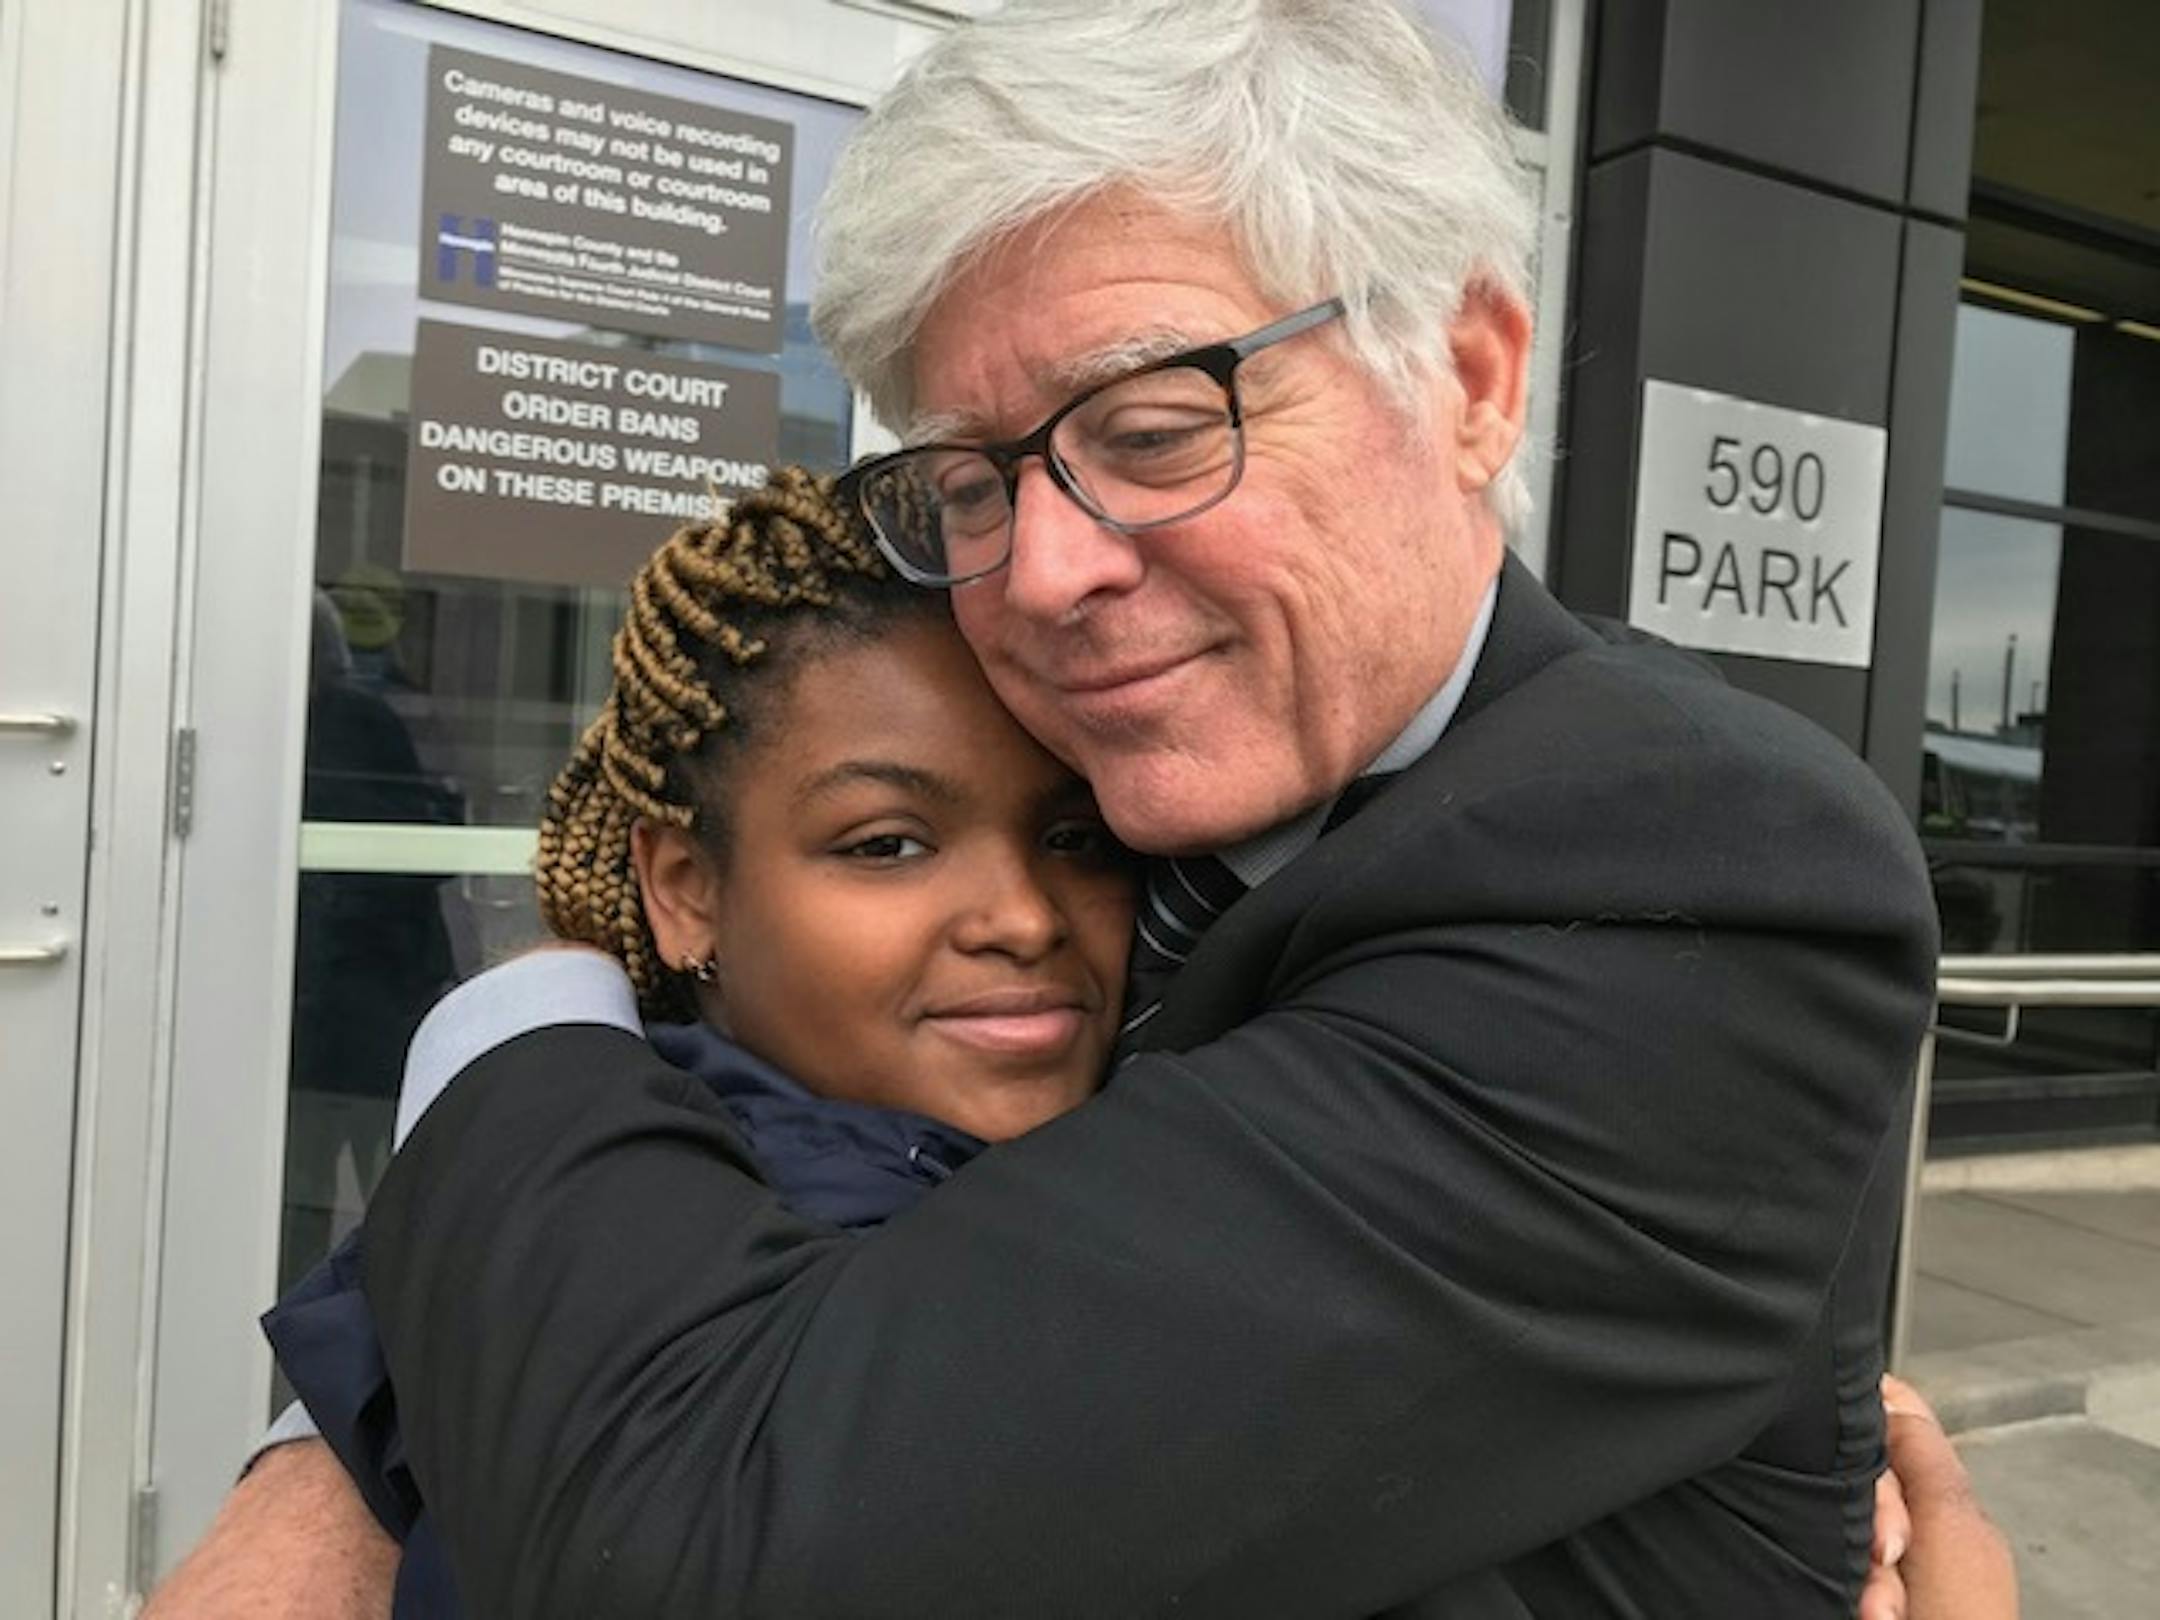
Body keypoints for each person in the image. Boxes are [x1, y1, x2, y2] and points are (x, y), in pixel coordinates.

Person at [147, 2, 2018, 1616]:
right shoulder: (1176, 791)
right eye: (972, 477)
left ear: (1464, 377)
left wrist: (509, 1011)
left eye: (1148, 427)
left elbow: (718, 1538)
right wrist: (335, 1447)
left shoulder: (1688, 875)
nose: (1042, 571)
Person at [255, 471, 1136, 1616]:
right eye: (884, 845)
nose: (1021, 917)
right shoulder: (776, 1254)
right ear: (684, 890)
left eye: (1076, 833)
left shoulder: (532, 1164)